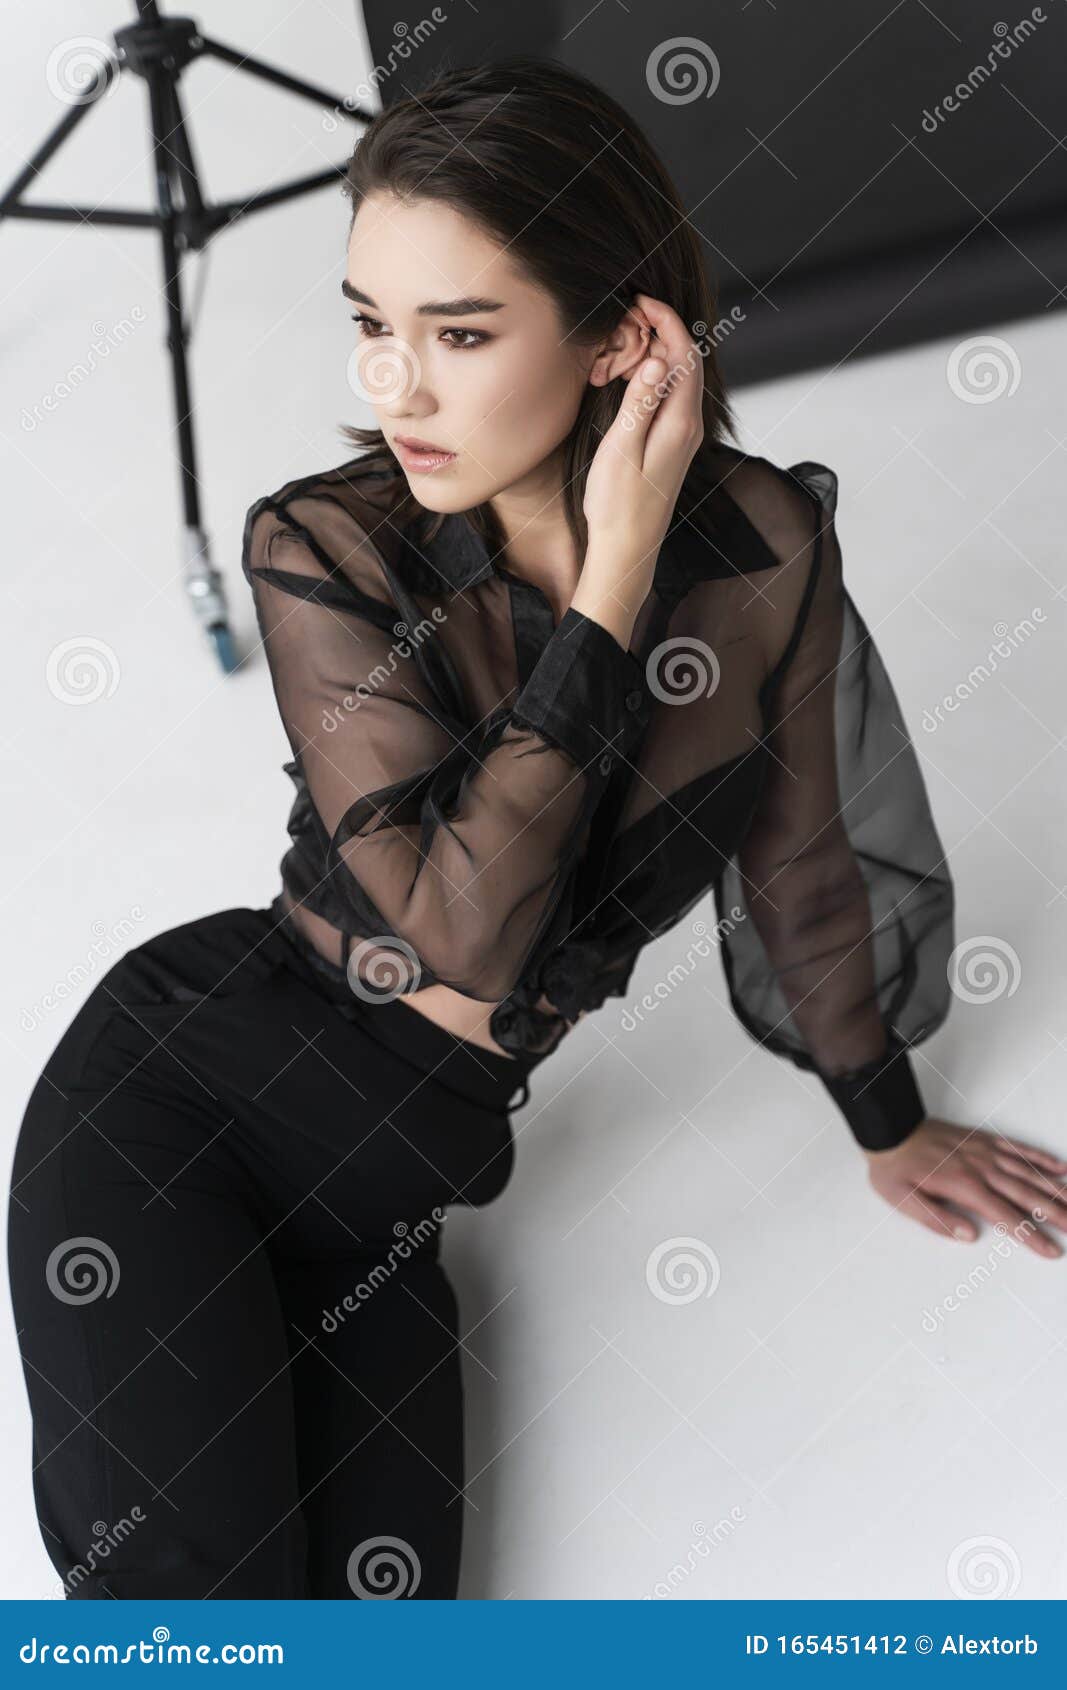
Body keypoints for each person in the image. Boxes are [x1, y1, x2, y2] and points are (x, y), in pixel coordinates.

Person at [9, 56, 1067, 1604]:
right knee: (197, 1624)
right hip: (170, 1129)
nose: (398, 388)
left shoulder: (765, 549)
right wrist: (608, 590)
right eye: (372, 323)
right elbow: (459, 931)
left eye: (459, 330)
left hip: (383, 1218)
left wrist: (887, 1116)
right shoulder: (328, 547)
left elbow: (800, 860)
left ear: (620, 338)